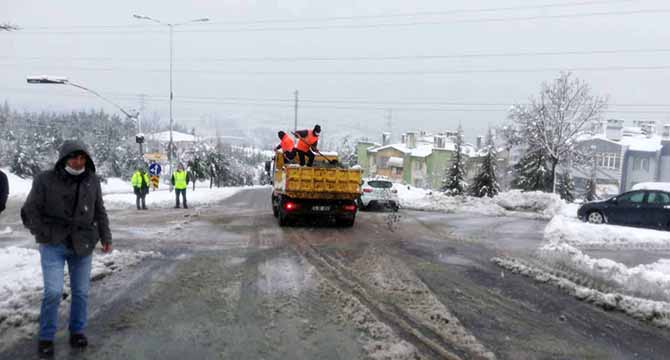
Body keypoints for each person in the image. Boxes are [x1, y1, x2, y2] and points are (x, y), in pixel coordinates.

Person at [21, 140, 112, 357]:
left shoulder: (92, 180)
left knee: (81, 292)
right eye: (73, 157)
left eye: (82, 158)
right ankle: (46, 336)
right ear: (63, 159)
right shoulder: (45, 180)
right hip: (54, 243)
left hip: (83, 243)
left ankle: (77, 331)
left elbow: (100, 210)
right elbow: (29, 211)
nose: (78, 162)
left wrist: (105, 236)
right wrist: (43, 233)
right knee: (53, 292)